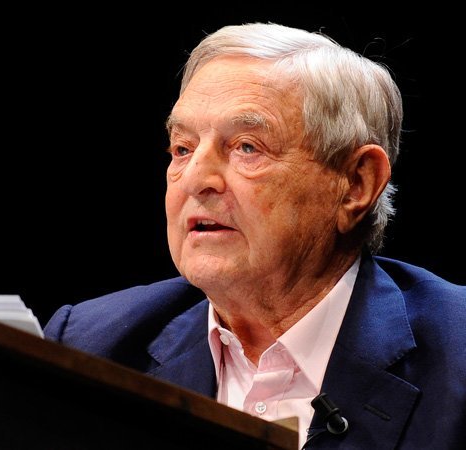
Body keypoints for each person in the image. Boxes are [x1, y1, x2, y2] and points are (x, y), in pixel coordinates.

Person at [44, 23, 465, 449]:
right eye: (183, 148)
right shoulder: (90, 346)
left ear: (356, 183)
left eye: (247, 147)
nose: (195, 180)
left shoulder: (458, 355)